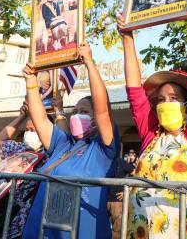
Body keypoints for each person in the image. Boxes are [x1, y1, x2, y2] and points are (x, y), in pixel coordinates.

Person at [119, 0, 187, 239]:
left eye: (174, 98)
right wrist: (127, 37)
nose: (165, 103)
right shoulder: (149, 132)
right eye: (160, 99)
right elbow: (134, 89)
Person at [22, 42, 120, 239]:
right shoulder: (62, 144)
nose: (76, 115)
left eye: (83, 112)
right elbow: (40, 118)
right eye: (74, 111)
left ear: (95, 120)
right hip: (39, 232)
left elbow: (103, 110)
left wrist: (90, 63)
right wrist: (31, 82)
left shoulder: (102, 151)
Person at [0, 100, 53, 239]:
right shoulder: (20, 149)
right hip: (9, 210)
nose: (29, 133)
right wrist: (21, 116)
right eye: (27, 130)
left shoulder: (51, 152)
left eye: (34, 130)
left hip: (31, 214)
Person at [107, 150, 137, 239]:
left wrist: (127, 191)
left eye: (133, 154)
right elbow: (135, 173)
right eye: (129, 154)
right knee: (116, 230)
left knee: (116, 230)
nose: (130, 156)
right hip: (112, 201)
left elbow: (135, 174)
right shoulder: (118, 161)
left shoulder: (119, 162)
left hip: (114, 201)